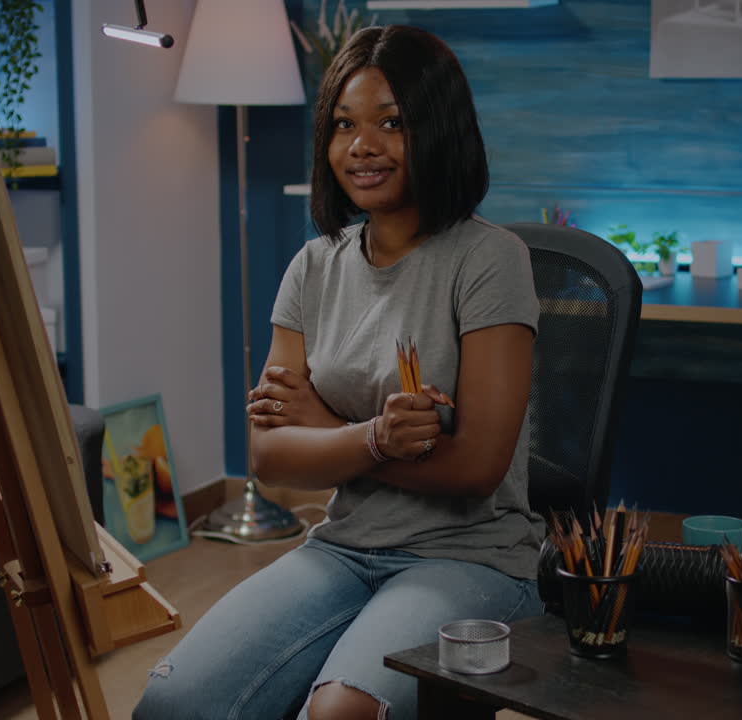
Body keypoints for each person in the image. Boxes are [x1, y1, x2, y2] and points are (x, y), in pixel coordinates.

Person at [134, 24, 543, 720]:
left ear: (438, 129)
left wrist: (327, 431)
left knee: (338, 715)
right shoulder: (313, 267)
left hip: (470, 558)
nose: (363, 146)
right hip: (343, 548)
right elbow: (269, 454)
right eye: (344, 125)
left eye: (392, 122)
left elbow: (477, 467)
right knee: (176, 701)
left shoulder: (489, 259)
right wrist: (374, 439)